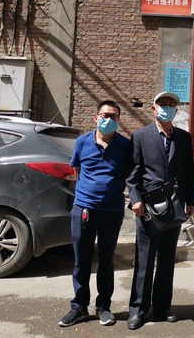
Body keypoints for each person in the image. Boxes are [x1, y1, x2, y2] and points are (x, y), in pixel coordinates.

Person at [126, 91, 194, 330]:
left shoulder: (184, 138)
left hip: (174, 205)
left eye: (171, 105)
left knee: (167, 259)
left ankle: (163, 306)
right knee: (144, 259)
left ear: (176, 110)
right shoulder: (140, 135)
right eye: (162, 104)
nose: (166, 108)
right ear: (153, 109)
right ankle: (138, 309)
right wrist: (135, 199)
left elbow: (188, 171)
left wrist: (190, 200)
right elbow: (133, 173)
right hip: (148, 206)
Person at [59, 100, 132, 327]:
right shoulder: (83, 141)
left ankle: (103, 307)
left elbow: (129, 174)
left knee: (106, 261)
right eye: (105, 115)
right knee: (82, 260)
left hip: (112, 210)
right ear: (96, 117)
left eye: (113, 116)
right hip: (84, 209)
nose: (108, 119)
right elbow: (77, 169)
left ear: (119, 120)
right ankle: (79, 307)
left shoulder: (125, 145)